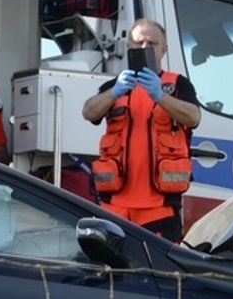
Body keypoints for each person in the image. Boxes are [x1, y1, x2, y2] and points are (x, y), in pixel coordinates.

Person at [82, 18, 201, 241]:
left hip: (160, 207)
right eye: (138, 43)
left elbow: (193, 117)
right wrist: (115, 92)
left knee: (159, 273)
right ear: (129, 48)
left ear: (164, 50)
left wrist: (160, 96)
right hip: (114, 206)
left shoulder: (178, 84)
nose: (144, 48)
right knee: (113, 272)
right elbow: (89, 112)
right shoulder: (115, 86)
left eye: (152, 43)